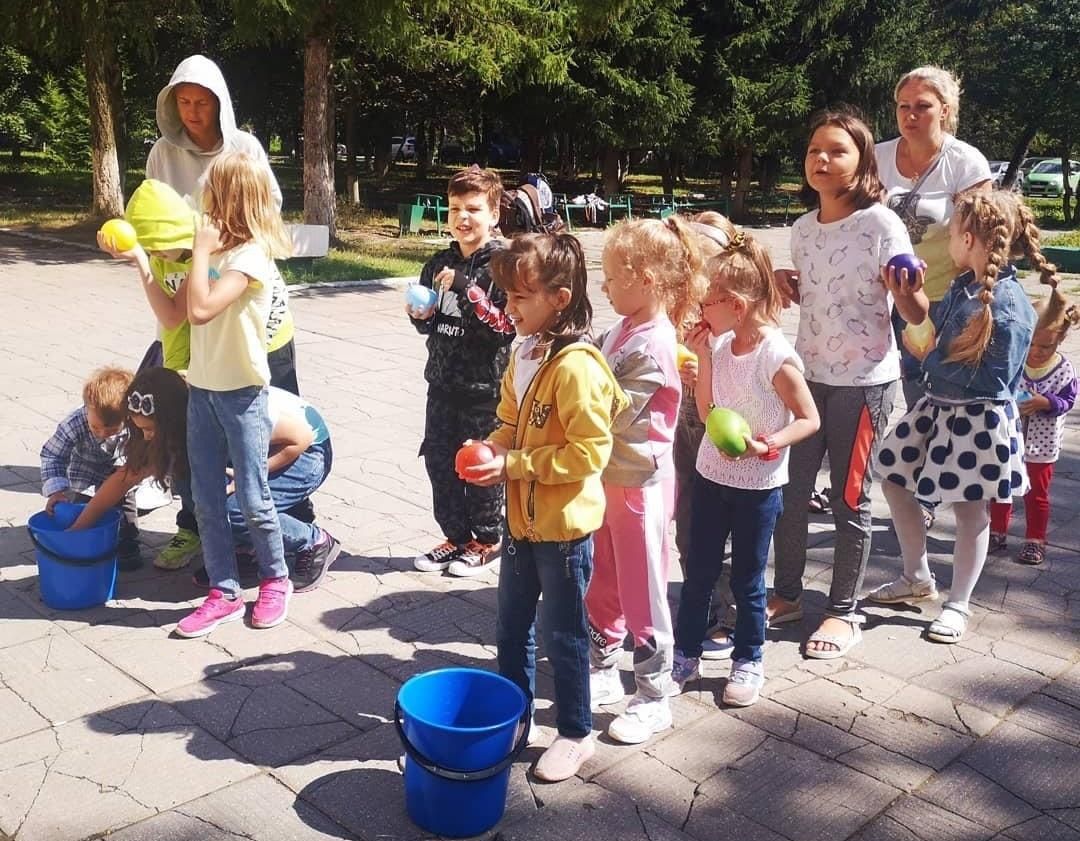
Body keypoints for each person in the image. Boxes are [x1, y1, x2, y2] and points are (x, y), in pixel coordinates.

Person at [463, 234, 627, 783]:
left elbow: (589, 454)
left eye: (520, 297)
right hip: (521, 524)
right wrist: (492, 448)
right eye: (506, 295)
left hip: (563, 531)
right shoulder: (524, 351)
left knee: (564, 635)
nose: (508, 308)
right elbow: (511, 420)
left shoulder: (577, 368)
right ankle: (517, 719)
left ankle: (577, 733)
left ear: (559, 299)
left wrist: (513, 465)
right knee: (511, 628)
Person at [771, 108, 929, 660]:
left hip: (865, 385)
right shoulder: (801, 229)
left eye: (837, 150)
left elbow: (914, 312)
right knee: (789, 495)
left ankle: (843, 612)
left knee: (849, 499)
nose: (821, 159)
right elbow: (816, 292)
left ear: (862, 161)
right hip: (806, 379)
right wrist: (786, 282)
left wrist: (905, 289)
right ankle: (787, 595)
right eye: (814, 149)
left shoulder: (881, 224)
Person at [98, 178, 304, 570]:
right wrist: (143, 261)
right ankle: (204, 528)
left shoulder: (213, 248)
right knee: (193, 446)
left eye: (159, 247)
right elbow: (173, 322)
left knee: (269, 441)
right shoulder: (167, 253)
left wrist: (165, 258)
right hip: (215, 354)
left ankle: (291, 527)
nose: (159, 255)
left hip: (264, 348)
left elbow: (192, 312)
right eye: (152, 249)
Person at [868, 190, 1042, 643]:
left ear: (968, 239)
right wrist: (910, 304)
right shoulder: (964, 285)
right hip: (938, 409)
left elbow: (992, 379)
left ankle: (958, 604)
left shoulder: (1009, 305)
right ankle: (917, 576)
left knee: (970, 511)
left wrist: (928, 357)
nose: (946, 239)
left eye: (951, 231)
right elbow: (934, 330)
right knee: (893, 477)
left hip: (978, 422)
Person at [671, 231, 819, 706]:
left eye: (706, 303)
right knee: (699, 571)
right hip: (711, 476)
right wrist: (703, 358)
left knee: (748, 579)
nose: (700, 312)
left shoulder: (774, 355)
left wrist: (767, 444)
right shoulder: (721, 346)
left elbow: (809, 419)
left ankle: (749, 658)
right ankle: (686, 653)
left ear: (735, 305)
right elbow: (709, 409)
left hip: (758, 486)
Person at [585, 216, 706, 745]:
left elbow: (611, 410)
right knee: (604, 576)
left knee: (644, 588)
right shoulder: (622, 328)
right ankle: (603, 663)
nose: (605, 286)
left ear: (647, 280)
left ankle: (654, 694)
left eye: (613, 277)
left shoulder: (653, 343)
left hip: (639, 486)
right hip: (607, 478)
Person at [71, 368, 338, 593]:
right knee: (194, 488)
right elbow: (123, 479)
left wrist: (248, 476)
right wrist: (77, 528)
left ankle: (313, 541)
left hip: (308, 452)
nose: (147, 437)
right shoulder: (171, 413)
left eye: (150, 429)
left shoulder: (222, 412)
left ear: (173, 419)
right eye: (140, 429)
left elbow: (300, 438)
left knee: (235, 509)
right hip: (258, 450)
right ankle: (247, 547)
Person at [179, 150, 296, 638]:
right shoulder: (217, 251)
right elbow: (181, 310)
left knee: (251, 496)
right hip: (202, 390)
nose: (203, 197)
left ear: (231, 198)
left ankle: (276, 579)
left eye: (211, 190)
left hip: (242, 394)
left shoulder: (249, 256)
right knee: (205, 498)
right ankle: (223, 591)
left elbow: (201, 310)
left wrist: (199, 251)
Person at [407, 167, 514, 577]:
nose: (462, 217)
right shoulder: (439, 262)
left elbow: (502, 330)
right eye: (454, 208)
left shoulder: (503, 265)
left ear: (494, 214)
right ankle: (455, 536)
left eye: (473, 208)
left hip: (485, 388)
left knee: (479, 464)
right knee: (439, 461)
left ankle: (487, 539)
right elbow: (431, 325)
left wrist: (464, 288)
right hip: (442, 382)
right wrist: (421, 315)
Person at [876, 66, 992, 409]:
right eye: (903, 106)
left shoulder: (966, 163)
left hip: (941, 301)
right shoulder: (876, 157)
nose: (910, 114)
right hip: (879, 297)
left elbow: (978, 242)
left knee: (932, 399)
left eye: (922, 106)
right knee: (880, 392)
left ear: (945, 110)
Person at [674, 212, 740, 660]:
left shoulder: (735, 308)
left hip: (723, 421)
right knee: (687, 517)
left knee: (723, 519)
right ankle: (701, 603)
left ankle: (727, 614)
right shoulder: (680, 304)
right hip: (684, 422)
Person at [990, 288, 1079, 565]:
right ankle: (996, 531)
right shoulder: (1014, 359)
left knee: (1036, 494)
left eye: (1046, 346)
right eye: (1031, 344)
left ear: (1060, 340)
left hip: (1042, 446)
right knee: (1001, 488)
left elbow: (1067, 401)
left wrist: (1045, 402)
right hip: (1009, 439)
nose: (1037, 352)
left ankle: (1035, 539)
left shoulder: (1063, 370)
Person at [147, 54, 282, 211]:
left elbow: (270, 204)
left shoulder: (246, 148)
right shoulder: (162, 152)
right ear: (174, 103)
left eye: (202, 103)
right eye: (184, 102)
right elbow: (151, 207)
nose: (192, 112)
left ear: (218, 103)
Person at [40, 367, 140, 569]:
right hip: (85, 475)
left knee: (126, 512)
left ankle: (127, 545)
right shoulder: (74, 423)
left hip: (121, 473)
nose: (102, 433)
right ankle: (84, 547)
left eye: (111, 430)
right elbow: (53, 455)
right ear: (87, 408)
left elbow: (138, 455)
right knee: (83, 513)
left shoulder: (135, 422)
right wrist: (56, 491)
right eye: (95, 427)